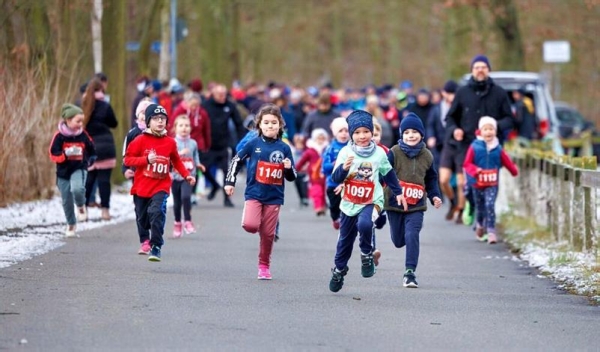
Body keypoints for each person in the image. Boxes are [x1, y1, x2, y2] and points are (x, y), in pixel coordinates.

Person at [328, 110, 407, 293]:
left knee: (365, 224)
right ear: (351, 134)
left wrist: (399, 193)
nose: (362, 136)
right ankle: (339, 269)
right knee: (344, 244)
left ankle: (366, 254)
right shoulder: (345, 152)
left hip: (372, 200)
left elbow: (389, 174)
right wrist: (343, 169)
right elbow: (336, 177)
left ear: (372, 133)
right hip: (349, 203)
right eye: (357, 132)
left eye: (366, 131)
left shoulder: (379, 153)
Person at [224, 103, 297, 280]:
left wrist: (288, 168)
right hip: (254, 192)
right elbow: (236, 160)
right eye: (266, 123)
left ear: (280, 125)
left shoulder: (284, 148)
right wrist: (229, 182)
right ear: (259, 125)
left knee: (268, 234)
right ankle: (252, 218)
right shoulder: (252, 143)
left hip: (274, 196)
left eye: (273, 123)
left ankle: (264, 265)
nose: (270, 126)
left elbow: (292, 176)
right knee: (251, 225)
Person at [441, 55, 513, 224]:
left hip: (491, 147)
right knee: (468, 181)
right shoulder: (462, 92)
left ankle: (487, 219)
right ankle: (471, 205)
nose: (480, 70)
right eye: (476, 67)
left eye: (483, 67)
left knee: (489, 183)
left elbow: (510, 119)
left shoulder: (500, 93)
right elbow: (450, 118)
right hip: (467, 144)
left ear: (488, 70)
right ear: (472, 70)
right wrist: (455, 130)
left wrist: (495, 125)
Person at [123, 104, 196, 262]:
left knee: (157, 213)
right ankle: (146, 237)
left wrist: (186, 175)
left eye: (163, 119)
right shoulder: (139, 140)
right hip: (142, 187)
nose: (160, 122)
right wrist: (145, 160)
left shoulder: (170, 142)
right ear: (148, 122)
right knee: (142, 218)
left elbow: (176, 161)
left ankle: (156, 246)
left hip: (160, 186)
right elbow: (127, 159)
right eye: (156, 119)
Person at [383, 113, 442, 288]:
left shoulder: (427, 156)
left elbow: (431, 179)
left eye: (414, 131)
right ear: (402, 134)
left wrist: (435, 196)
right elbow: (383, 173)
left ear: (421, 134)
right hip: (395, 204)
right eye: (406, 132)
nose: (411, 135)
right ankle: (404, 245)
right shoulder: (394, 152)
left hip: (417, 204)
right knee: (399, 240)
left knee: (412, 234)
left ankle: (410, 273)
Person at [463, 117, 518, 244]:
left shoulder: (497, 148)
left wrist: (514, 171)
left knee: (490, 204)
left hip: (492, 183)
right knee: (480, 206)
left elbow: (507, 161)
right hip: (477, 183)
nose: (488, 132)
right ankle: (480, 224)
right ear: (480, 131)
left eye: (491, 129)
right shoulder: (474, 147)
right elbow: (467, 164)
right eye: (485, 129)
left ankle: (491, 231)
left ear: (495, 131)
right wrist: (475, 170)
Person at [49, 104, 96, 238]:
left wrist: (90, 159)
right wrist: (65, 154)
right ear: (68, 120)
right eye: (78, 121)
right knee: (66, 199)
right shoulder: (59, 136)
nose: (80, 124)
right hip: (63, 171)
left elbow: (91, 148)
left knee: (77, 189)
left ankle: (81, 206)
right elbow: (52, 153)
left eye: (82, 121)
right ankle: (71, 223)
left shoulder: (83, 135)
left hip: (79, 167)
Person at [202, 84, 245, 208]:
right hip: (209, 144)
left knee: (227, 172)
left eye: (224, 95)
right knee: (203, 169)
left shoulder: (230, 105)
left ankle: (227, 199)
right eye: (219, 95)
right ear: (213, 94)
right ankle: (215, 185)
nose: (222, 97)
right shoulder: (206, 105)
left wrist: (242, 141)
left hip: (224, 144)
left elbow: (238, 124)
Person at [82, 78, 118, 220]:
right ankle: (105, 211)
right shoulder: (105, 106)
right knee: (104, 181)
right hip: (106, 146)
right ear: (102, 90)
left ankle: (83, 210)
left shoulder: (83, 105)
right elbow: (113, 123)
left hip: (90, 147)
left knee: (89, 180)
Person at [122, 98, 153, 254]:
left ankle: (155, 236)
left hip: (155, 178)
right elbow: (125, 154)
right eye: (142, 112)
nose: (144, 115)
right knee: (140, 209)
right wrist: (125, 169)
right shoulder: (132, 133)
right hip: (138, 177)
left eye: (148, 113)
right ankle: (144, 240)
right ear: (137, 115)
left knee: (153, 209)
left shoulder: (159, 133)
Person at [171, 115, 205, 238]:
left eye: (186, 125)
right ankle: (177, 223)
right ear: (175, 128)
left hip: (189, 176)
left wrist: (199, 164)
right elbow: (170, 158)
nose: (184, 128)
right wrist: (179, 154)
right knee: (177, 202)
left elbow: (195, 156)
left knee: (186, 197)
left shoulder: (193, 143)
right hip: (175, 176)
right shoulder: (172, 142)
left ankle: (188, 221)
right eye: (181, 125)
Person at [321, 117, 349, 230]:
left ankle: (344, 221)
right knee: (334, 206)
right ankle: (335, 218)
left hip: (348, 183)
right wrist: (335, 164)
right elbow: (324, 167)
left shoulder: (352, 147)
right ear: (335, 133)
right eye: (340, 131)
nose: (344, 134)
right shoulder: (330, 148)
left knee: (346, 207)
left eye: (346, 131)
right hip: (333, 184)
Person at [296, 128, 329, 216]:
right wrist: (296, 169)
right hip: (314, 175)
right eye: (319, 138)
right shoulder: (310, 151)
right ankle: (318, 207)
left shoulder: (328, 149)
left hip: (326, 174)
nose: (321, 140)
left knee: (324, 191)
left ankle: (323, 206)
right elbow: (302, 160)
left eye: (323, 138)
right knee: (317, 191)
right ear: (314, 139)